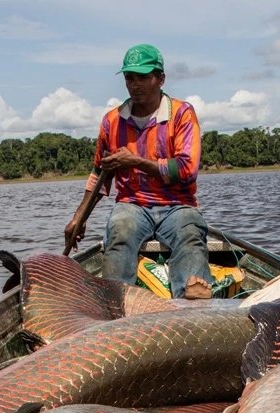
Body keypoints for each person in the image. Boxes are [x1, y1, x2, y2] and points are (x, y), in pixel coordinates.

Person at [64, 44, 212, 299]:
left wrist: (135, 161)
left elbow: (187, 170)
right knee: (120, 230)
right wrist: (80, 216)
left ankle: (192, 302)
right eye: (130, 78)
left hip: (177, 204)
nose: (135, 85)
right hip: (133, 204)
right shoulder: (112, 120)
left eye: (143, 77)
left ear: (160, 79)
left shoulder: (181, 113)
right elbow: (100, 172)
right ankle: (116, 303)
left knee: (189, 234)